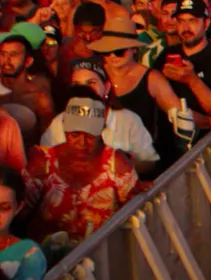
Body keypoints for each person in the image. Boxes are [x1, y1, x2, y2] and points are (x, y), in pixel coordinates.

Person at [26, 97, 139, 244]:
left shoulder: (115, 163)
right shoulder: (43, 162)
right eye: (74, 135)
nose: (82, 143)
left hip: (102, 252)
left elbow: (135, 210)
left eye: (90, 136)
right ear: (65, 129)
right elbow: (20, 214)